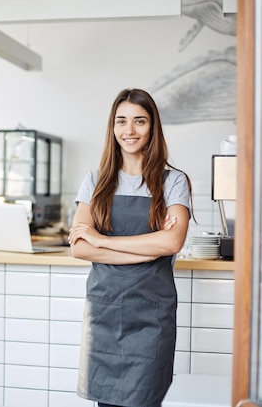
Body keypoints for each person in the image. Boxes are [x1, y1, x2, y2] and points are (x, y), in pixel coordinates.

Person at [68, 88, 193, 407]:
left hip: (152, 314)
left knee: (146, 401)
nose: (130, 130)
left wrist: (103, 240)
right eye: (121, 121)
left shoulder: (173, 182)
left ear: (152, 127)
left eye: (140, 121)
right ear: (112, 128)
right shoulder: (95, 181)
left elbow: (172, 241)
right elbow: (80, 248)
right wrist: (149, 248)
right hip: (105, 311)